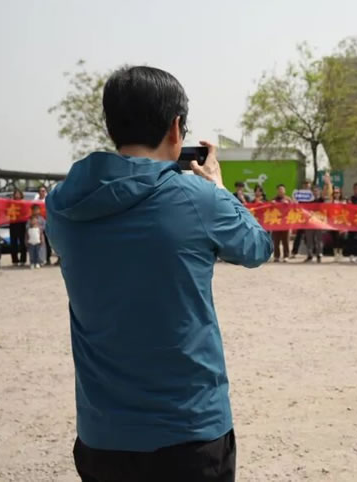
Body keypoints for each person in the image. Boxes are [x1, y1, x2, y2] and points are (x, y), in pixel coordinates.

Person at [45, 66, 272, 482]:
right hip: (189, 430)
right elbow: (257, 247)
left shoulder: (62, 205)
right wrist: (219, 190)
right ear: (176, 127)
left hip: (103, 435)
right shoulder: (199, 199)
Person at [290, 179, 313, 259]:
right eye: (305, 184)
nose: (306, 186)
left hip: (310, 218)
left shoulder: (312, 195)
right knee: (299, 235)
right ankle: (294, 252)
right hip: (301, 218)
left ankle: (310, 253)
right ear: (303, 186)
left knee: (309, 237)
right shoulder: (299, 194)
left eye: (308, 184)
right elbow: (295, 203)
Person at [34, 185, 54, 265]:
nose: (42, 192)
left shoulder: (49, 200)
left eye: (43, 191)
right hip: (39, 224)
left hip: (49, 223)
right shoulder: (35, 201)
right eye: (40, 191)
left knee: (50, 242)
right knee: (42, 243)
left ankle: (49, 258)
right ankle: (43, 259)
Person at [303, 186, 324, 263]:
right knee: (309, 240)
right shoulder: (308, 200)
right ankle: (310, 255)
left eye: (316, 191)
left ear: (319, 192)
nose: (315, 192)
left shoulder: (321, 200)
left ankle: (319, 255)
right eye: (314, 191)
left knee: (319, 240)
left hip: (319, 222)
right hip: (309, 223)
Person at [271, 184, 291, 262]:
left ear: (284, 191)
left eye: (282, 190)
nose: (281, 191)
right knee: (276, 241)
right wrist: (271, 204)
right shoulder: (274, 200)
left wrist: (288, 204)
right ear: (277, 191)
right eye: (279, 190)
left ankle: (286, 256)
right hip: (276, 223)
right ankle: (276, 256)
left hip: (285, 223)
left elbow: (294, 208)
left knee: (285, 240)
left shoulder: (288, 199)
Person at [8, 188, 28, 267]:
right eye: (15, 193)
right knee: (13, 243)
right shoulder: (10, 203)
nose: (17, 195)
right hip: (13, 224)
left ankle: (23, 260)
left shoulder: (24, 203)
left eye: (18, 193)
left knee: (22, 243)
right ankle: (15, 260)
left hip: (22, 224)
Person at [330, 187, 347, 261]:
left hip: (342, 223)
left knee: (342, 239)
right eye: (335, 193)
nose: (336, 194)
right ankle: (335, 254)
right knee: (335, 238)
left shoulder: (343, 201)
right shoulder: (331, 202)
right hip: (333, 223)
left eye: (338, 193)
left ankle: (340, 254)